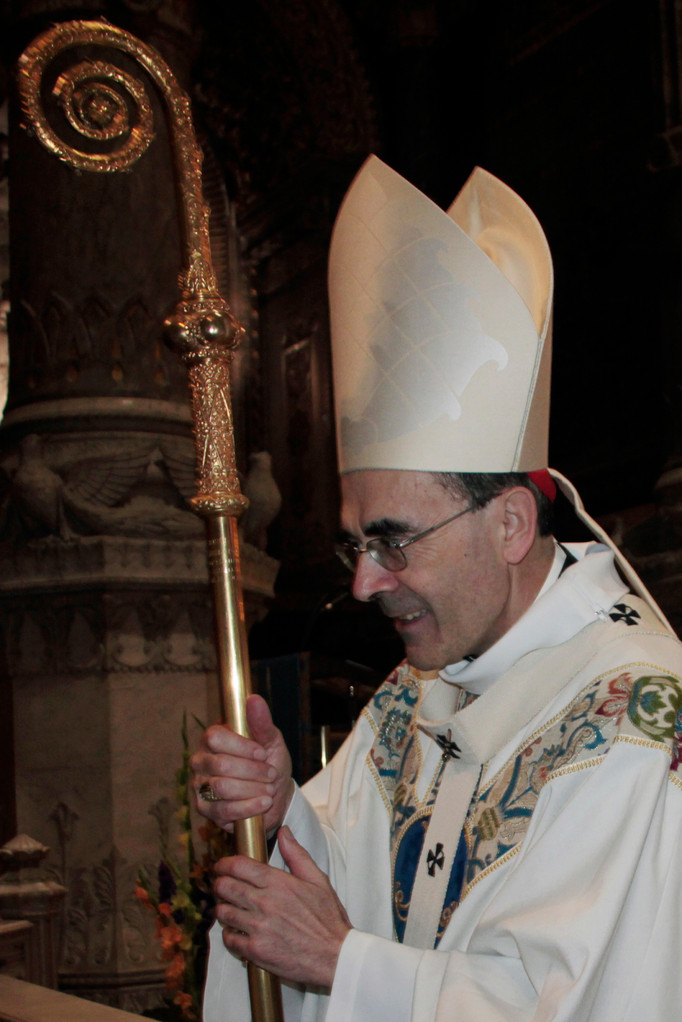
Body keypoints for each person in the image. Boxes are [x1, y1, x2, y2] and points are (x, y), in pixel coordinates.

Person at [192, 157, 682, 1021]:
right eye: (354, 542)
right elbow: (346, 878)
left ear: (509, 526)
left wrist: (347, 965)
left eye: (393, 542)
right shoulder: (421, 688)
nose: (364, 581)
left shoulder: (634, 722)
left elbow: (579, 1004)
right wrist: (277, 816)